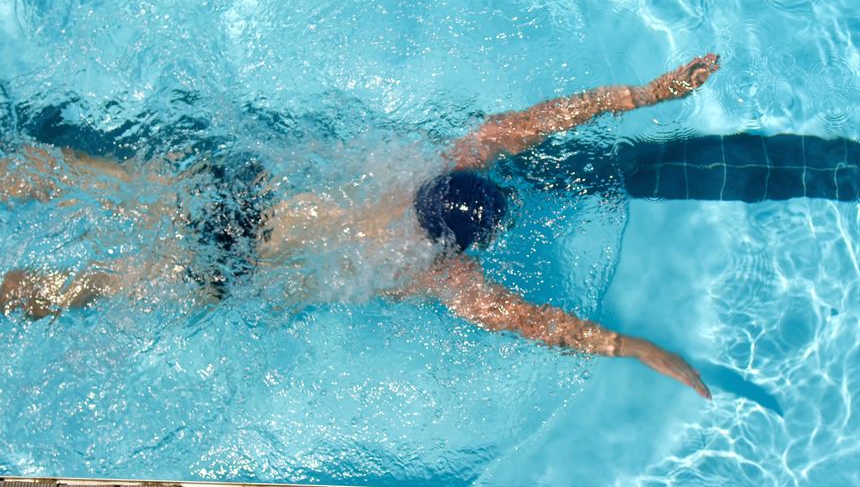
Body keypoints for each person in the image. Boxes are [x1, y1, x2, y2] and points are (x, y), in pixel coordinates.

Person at [0, 54, 722, 400]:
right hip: (232, 275)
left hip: (235, 199)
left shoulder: (431, 159)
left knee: (75, 176)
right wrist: (630, 347)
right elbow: (534, 323)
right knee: (76, 288)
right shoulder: (439, 272)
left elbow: (539, 119)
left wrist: (645, 93)